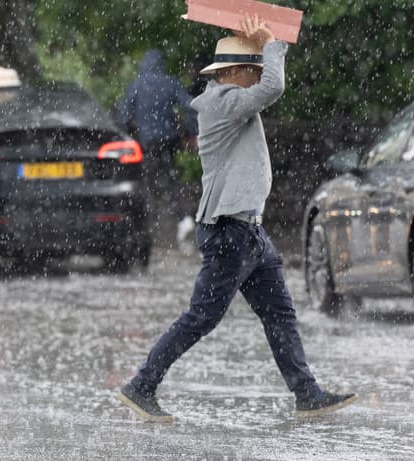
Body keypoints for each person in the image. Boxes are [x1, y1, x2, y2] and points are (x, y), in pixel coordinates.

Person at [117, 15, 357, 423]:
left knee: (279, 314)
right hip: (230, 231)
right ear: (231, 73)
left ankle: (306, 393)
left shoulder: (230, 100)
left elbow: (267, 86)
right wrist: (272, 43)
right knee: (202, 317)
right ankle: (142, 385)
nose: (258, 76)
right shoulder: (223, 102)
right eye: (253, 69)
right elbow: (274, 87)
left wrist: (262, 44)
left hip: (250, 231)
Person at [118, 49, 198, 203]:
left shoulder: (137, 85)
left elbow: (124, 115)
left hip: (146, 142)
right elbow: (190, 107)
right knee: (170, 174)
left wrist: (130, 132)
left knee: (148, 176)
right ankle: (173, 204)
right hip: (169, 140)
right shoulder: (171, 83)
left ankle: (152, 205)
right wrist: (191, 131)